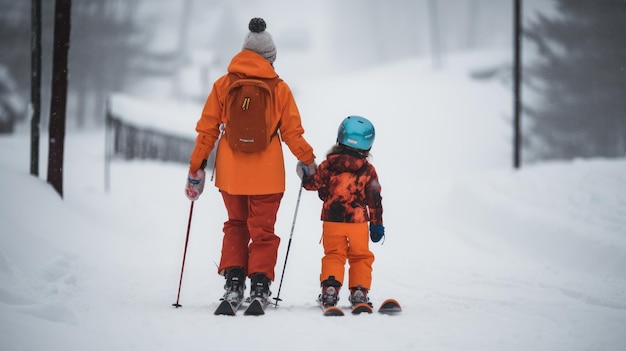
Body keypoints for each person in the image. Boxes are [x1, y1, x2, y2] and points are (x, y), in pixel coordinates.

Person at [185, 18, 317, 307]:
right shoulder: (279, 89)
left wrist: (197, 166)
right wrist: (308, 161)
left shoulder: (223, 84)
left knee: (236, 224)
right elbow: (293, 133)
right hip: (267, 177)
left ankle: (233, 281)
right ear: (271, 59)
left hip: (231, 175)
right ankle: (259, 284)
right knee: (263, 231)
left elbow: (207, 130)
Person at [296, 115, 385, 309]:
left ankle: (330, 290)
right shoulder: (368, 170)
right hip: (358, 223)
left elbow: (314, 185)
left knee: (334, 255)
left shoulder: (329, 164)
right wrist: (377, 224)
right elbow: (375, 199)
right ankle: (359, 292)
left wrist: (304, 174)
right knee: (360, 256)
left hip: (332, 221)